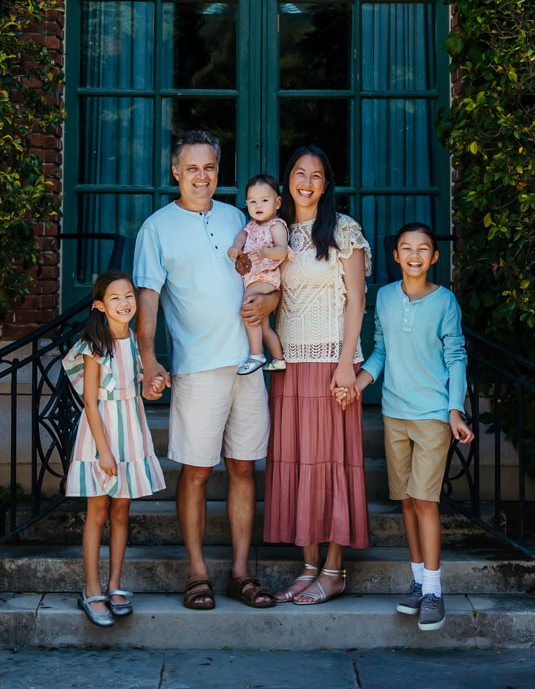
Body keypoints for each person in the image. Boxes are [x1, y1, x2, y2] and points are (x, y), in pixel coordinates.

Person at [133, 131, 280, 611]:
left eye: (210, 167)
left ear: (219, 170)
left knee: (243, 468)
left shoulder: (240, 217)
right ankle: (197, 573)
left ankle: (240, 572)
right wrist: (149, 357)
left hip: (247, 365)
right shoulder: (156, 228)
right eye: (192, 168)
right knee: (195, 472)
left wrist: (268, 302)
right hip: (197, 368)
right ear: (176, 172)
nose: (202, 176)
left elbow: (269, 279)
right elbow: (147, 298)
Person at [262, 143, 371, 605]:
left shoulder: (343, 230)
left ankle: (333, 569)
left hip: (332, 363)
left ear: (326, 185)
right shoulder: (277, 232)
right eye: (299, 174)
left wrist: (346, 363)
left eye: (316, 175)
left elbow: (358, 300)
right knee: (300, 465)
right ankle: (308, 567)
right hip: (289, 365)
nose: (306, 182)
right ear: (288, 180)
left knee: (331, 466)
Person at [354, 223, 473, 632]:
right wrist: (357, 384)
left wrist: (455, 411)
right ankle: (418, 582)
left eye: (423, 248)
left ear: (434, 257)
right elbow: (380, 352)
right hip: (394, 413)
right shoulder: (385, 297)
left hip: (432, 416)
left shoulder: (445, 302)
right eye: (407, 248)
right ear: (396, 256)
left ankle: (436, 592)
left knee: (425, 501)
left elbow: (456, 358)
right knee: (406, 499)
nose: (415, 255)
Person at [64, 270, 166, 627]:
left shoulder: (137, 341)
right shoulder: (96, 345)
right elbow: (90, 403)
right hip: (101, 434)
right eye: (115, 298)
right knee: (97, 513)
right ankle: (91, 589)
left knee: (121, 512)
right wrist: (103, 451)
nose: (124, 304)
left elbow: (139, 385)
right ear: (100, 306)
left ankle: (115, 585)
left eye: (129, 297)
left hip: (131, 431)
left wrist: (153, 385)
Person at [228, 173, 290, 376]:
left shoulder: (276, 225)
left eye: (264, 200)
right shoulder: (251, 225)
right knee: (262, 325)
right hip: (253, 277)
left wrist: (264, 252)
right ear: (246, 203)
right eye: (253, 201)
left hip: (266, 276)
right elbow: (240, 236)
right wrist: (236, 247)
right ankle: (278, 359)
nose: (258, 205)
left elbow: (282, 250)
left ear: (277, 202)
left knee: (249, 303)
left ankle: (256, 355)